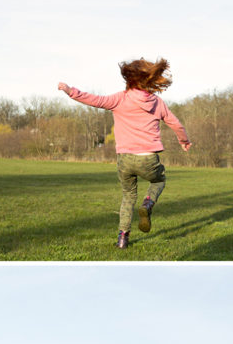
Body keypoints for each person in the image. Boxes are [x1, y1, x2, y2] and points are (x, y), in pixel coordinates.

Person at [58, 58, 192, 248]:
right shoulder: (156, 102)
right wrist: (184, 141)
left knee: (128, 196)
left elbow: (96, 100)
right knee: (159, 180)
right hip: (148, 158)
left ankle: (122, 239)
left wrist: (71, 91)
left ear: (129, 78)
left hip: (125, 159)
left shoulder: (120, 98)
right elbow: (176, 124)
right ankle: (148, 204)